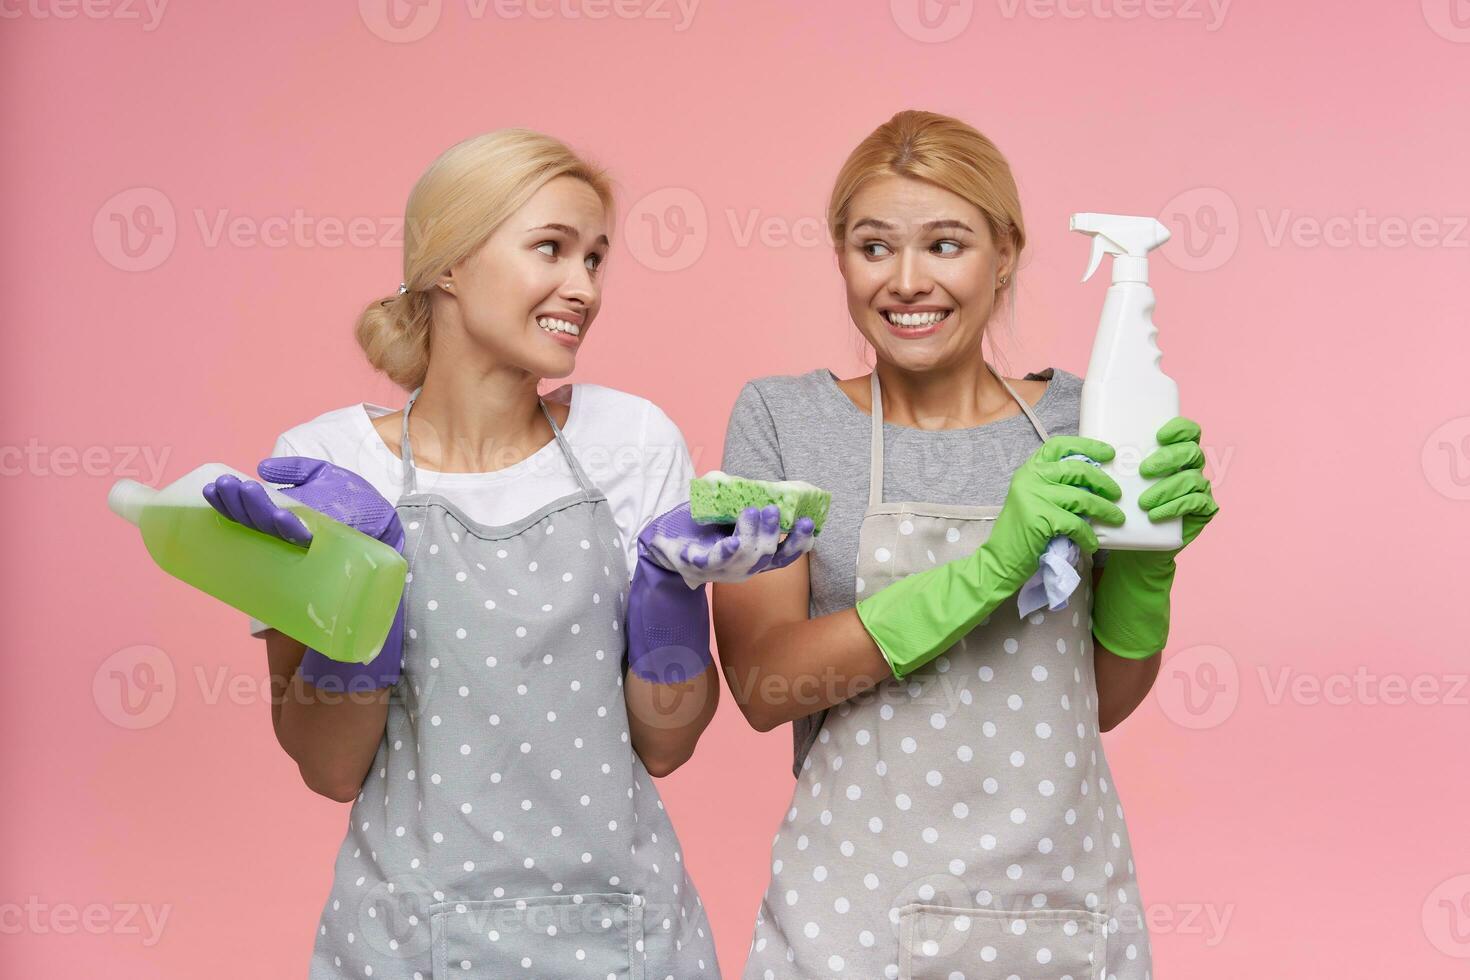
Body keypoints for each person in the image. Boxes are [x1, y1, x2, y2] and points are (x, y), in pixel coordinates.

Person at [202, 129, 809, 978]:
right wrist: (364, 586)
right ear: (448, 263)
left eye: (596, 259)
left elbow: (665, 746)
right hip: (409, 940)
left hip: (627, 936)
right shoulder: (332, 464)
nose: (583, 287)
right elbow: (329, 767)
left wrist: (668, 593)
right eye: (551, 249)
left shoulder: (628, 440)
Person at [715, 110, 1218, 980]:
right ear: (841, 256)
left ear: (1006, 253)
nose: (908, 281)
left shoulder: (1082, 420)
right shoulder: (781, 420)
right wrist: (986, 571)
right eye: (875, 248)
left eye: (945, 245)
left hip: (1059, 908)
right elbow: (765, 685)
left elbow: (1094, 702)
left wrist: (1144, 567)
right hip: (852, 919)